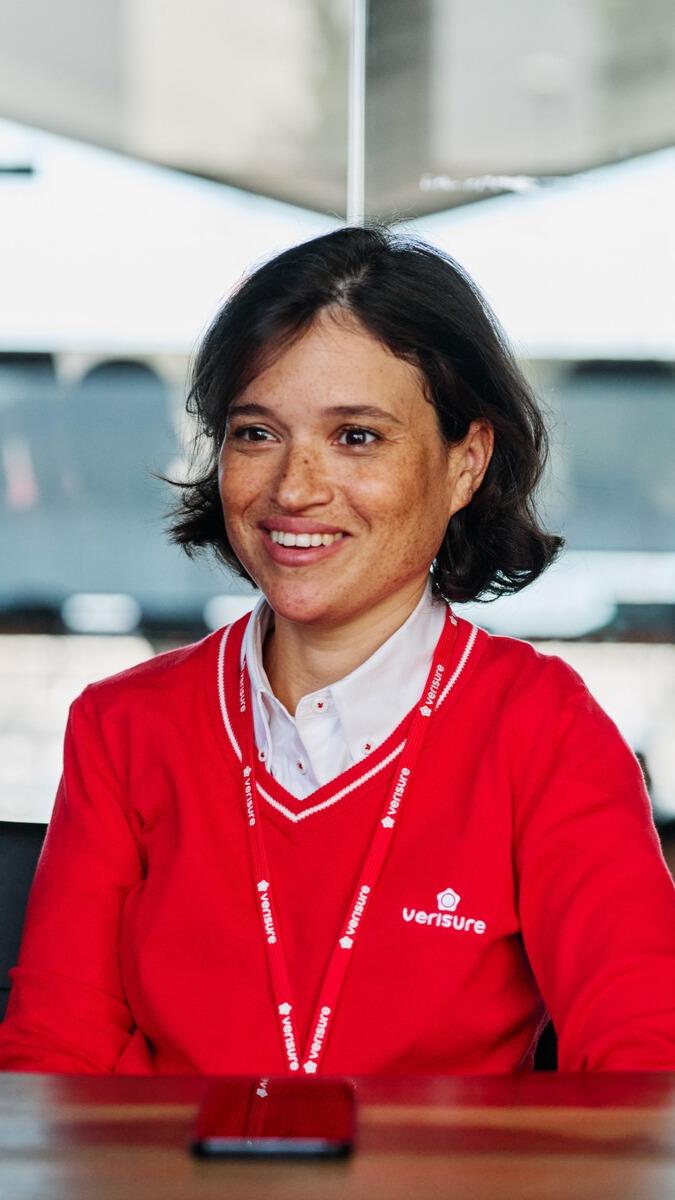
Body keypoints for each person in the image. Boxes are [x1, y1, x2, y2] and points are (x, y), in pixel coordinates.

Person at [1, 225, 674, 1077]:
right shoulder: (122, 727)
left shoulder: (544, 730)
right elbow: (51, 1062)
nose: (295, 488)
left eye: (356, 436)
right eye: (256, 433)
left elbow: (644, 1062)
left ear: (465, 463)